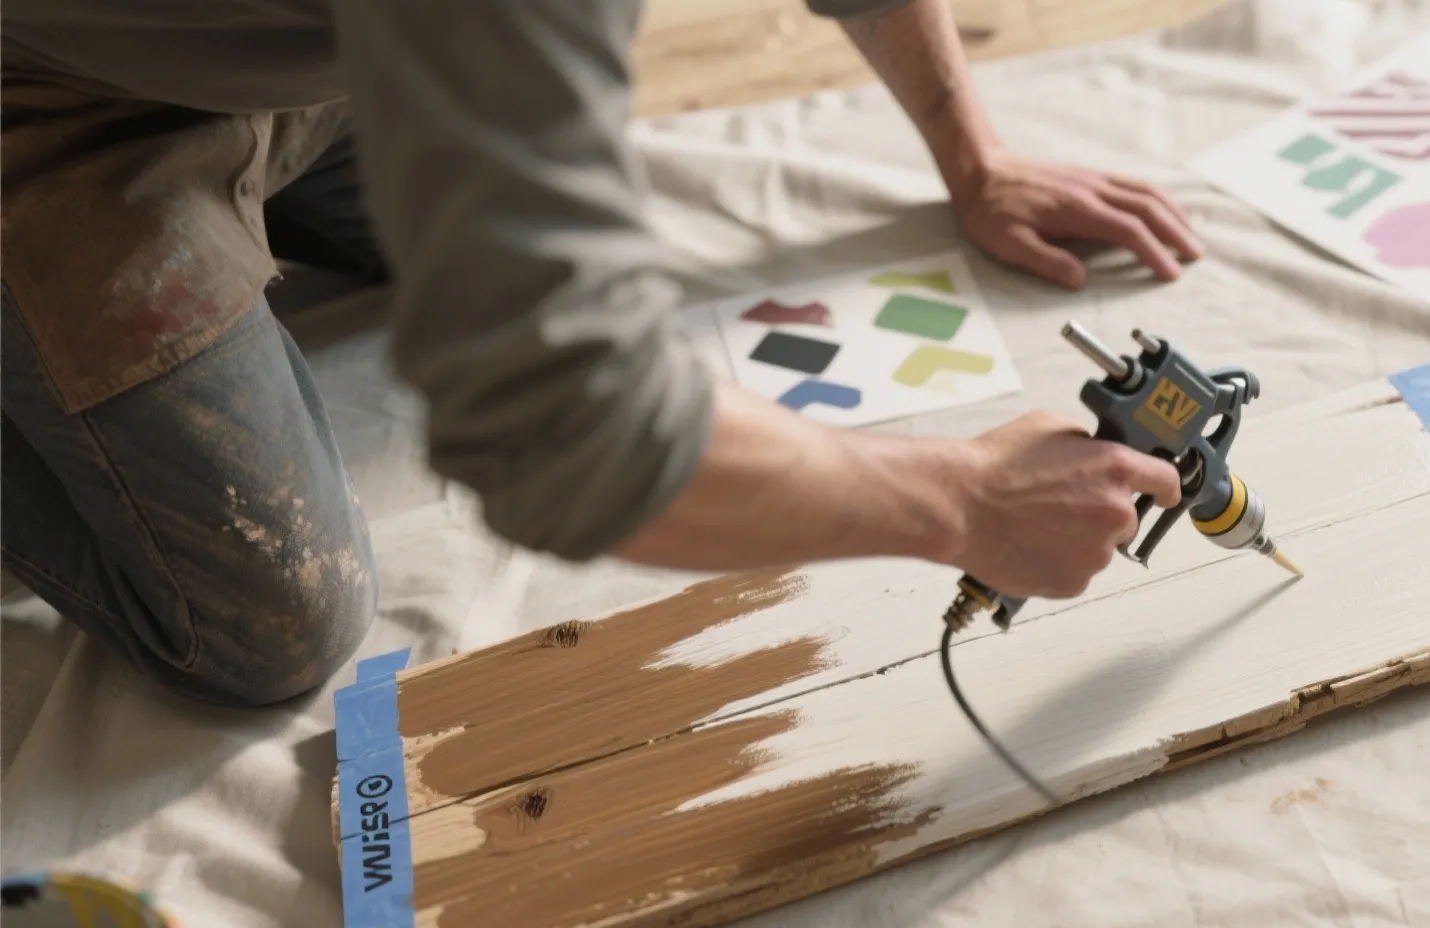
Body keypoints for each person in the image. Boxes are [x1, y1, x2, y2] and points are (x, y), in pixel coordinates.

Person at [0, 0, 1201, 707]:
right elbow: (568, 432)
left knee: (528, 236)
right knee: (267, 626)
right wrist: (969, 504)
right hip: (56, 93)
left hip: (310, 59)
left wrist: (972, 152)